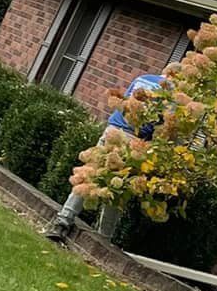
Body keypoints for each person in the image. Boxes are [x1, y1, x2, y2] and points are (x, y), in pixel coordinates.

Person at [44, 71, 168, 241]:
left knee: (90, 175)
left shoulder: (143, 78)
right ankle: (103, 239)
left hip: (112, 130)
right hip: (134, 141)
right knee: (117, 190)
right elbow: (165, 128)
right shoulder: (171, 92)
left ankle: (63, 221)